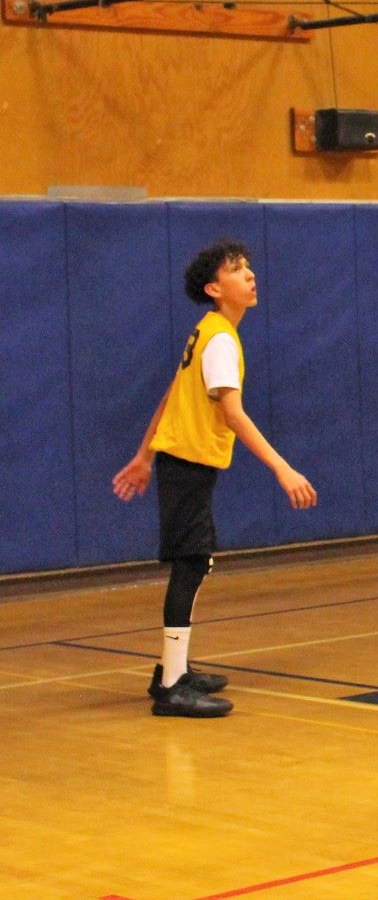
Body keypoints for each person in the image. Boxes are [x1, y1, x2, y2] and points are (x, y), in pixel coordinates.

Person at [111, 240, 317, 719]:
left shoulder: (208, 331)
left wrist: (144, 455)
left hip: (184, 458)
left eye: (248, 267)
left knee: (195, 561)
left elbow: (170, 394)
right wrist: (282, 468)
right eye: (236, 270)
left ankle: (174, 668)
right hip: (186, 460)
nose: (249, 275)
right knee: (192, 562)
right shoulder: (219, 336)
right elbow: (234, 413)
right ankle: (171, 685)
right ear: (213, 288)